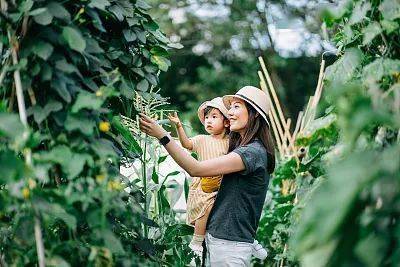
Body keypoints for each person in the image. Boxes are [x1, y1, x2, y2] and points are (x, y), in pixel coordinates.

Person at [139, 86, 275, 266]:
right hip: (221, 240)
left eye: (236, 107)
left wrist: (163, 136)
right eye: (230, 108)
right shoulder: (241, 148)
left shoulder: (252, 152)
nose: (230, 113)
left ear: (255, 113)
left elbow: (195, 168)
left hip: (230, 246)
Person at [167, 97, 230, 256]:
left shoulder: (231, 143)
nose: (208, 121)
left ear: (227, 123)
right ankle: (196, 241)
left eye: (214, 117)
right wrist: (179, 126)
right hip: (204, 187)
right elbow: (186, 144)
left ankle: (247, 239)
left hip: (223, 186)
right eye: (207, 117)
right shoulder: (202, 139)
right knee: (206, 207)